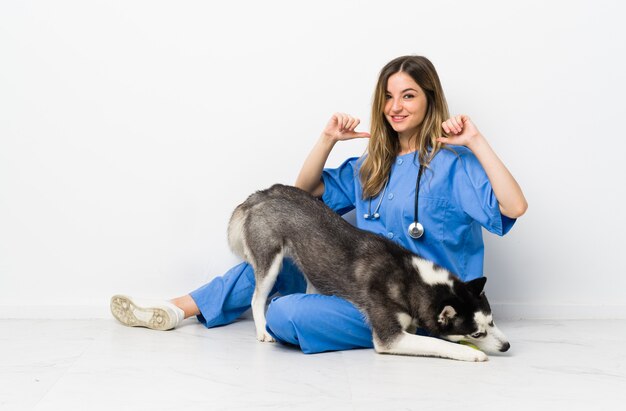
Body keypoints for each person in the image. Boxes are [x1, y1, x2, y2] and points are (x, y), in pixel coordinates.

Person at [110, 55, 527, 354]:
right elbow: (304, 195)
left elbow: (514, 207)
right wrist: (327, 139)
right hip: (362, 284)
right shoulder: (371, 164)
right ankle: (174, 309)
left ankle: (409, 331)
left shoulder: (456, 165)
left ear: (430, 100)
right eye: (388, 97)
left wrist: (475, 140)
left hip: (427, 305)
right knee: (286, 253)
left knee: (287, 315)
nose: (395, 107)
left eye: (408, 96)